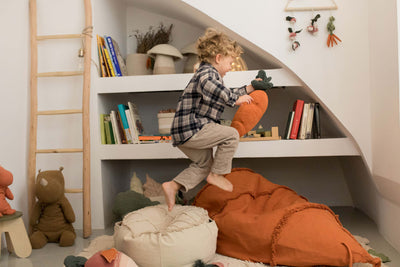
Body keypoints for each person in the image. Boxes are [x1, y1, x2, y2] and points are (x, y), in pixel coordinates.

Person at [162, 28, 257, 211]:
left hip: (183, 133)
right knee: (231, 135)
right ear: (219, 58)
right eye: (230, 62)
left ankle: (172, 186)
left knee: (204, 165)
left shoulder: (212, 76)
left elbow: (226, 92)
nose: (230, 68)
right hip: (193, 128)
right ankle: (217, 175)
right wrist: (235, 100)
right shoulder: (207, 73)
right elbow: (215, 88)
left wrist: (250, 87)